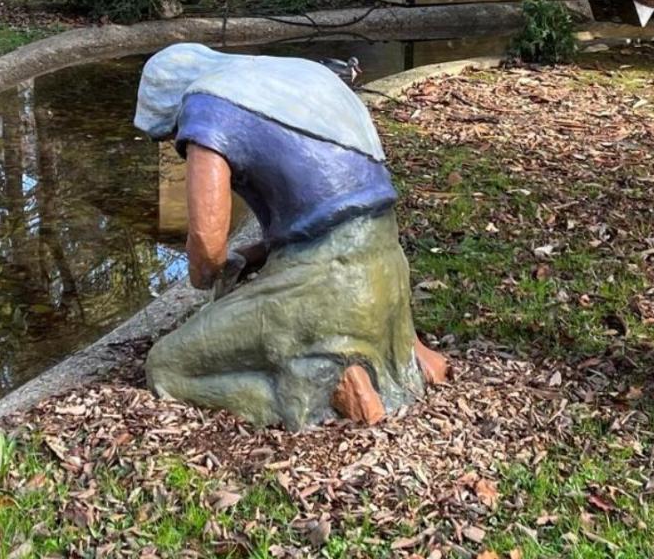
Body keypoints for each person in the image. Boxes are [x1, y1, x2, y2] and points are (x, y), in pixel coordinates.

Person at [133, 43, 448, 430]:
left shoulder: (205, 106)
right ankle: (408, 354)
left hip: (326, 285)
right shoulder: (297, 76)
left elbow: (206, 242)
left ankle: (323, 383)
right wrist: (259, 253)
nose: (178, 142)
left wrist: (206, 276)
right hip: (387, 265)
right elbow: (336, 201)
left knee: (166, 365)